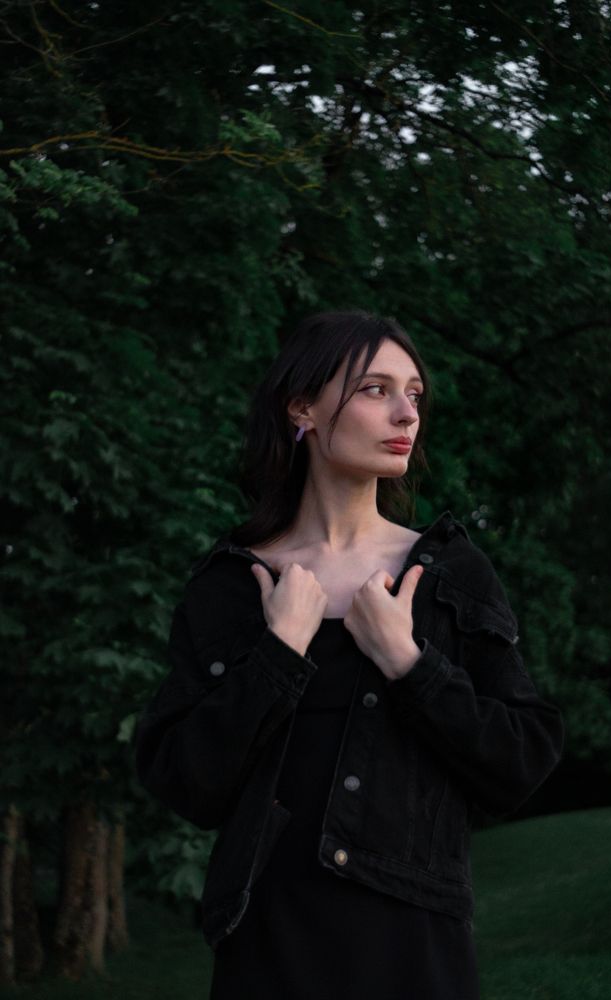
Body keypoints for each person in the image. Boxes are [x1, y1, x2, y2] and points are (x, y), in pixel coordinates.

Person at [134, 310, 564, 1000]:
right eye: (375, 389)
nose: (406, 414)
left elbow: (522, 761)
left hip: (413, 947)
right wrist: (277, 654)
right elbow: (183, 782)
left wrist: (409, 662)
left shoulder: (450, 575)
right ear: (301, 407)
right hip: (267, 945)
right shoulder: (233, 585)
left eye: (414, 394)